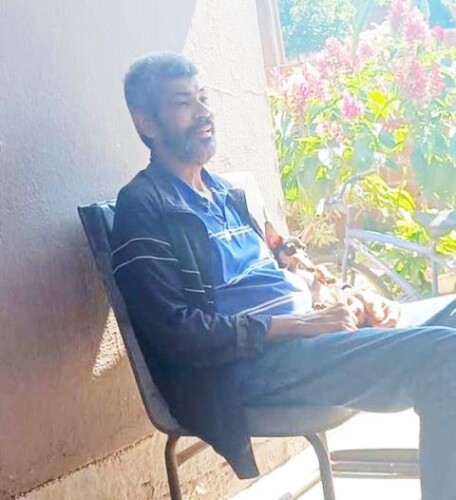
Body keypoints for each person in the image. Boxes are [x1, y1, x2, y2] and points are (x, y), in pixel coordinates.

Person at [112, 52, 456, 499]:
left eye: (203, 98)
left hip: (311, 339)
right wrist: (298, 325)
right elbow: (176, 333)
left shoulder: (226, 195)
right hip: (251, 366)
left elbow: (289, 265)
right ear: (146, 123)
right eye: (183, 102)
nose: (202, 112)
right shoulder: (143, 208)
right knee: (445, 358)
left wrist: (348, 296)